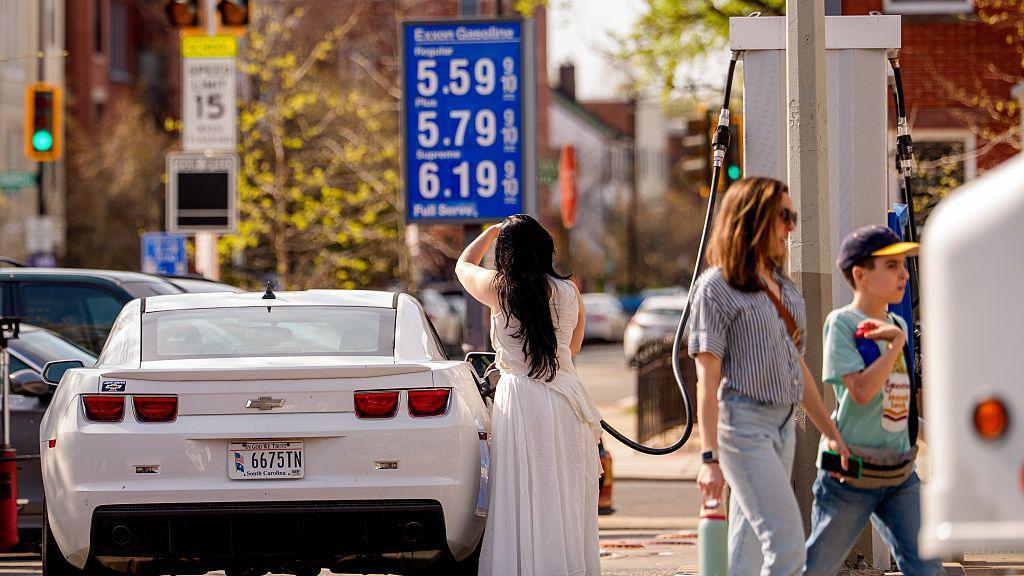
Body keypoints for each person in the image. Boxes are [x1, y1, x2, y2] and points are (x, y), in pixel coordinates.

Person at [688, 177, 851, 576]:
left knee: (748, 551)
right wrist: (709, 459)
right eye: (785, 216)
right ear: (754, 219)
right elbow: (706, 382)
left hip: (783, 425)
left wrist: (830, 431)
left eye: (792, 216)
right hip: (743, 427)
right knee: (787, 544)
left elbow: (797, 366)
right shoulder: (717, 287)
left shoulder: (783, 286)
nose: (792, 226)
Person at [455, 214, 603, 576]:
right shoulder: (570, 292)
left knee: (521, 491)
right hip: (566, 400)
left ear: (508, 252)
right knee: (564, 493)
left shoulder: (499, 289)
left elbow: (463, 266)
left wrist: (491, 232)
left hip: (520, 400)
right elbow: (576, 345)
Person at [804, 225, 943, 575]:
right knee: (817, 567)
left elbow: (899, 403)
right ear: (860, 275)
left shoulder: (896, 322)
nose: (903, 276)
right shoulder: (842, 323)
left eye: (903, 266)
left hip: (900, 474)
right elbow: (862, 392)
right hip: (851, 476)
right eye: (892, 266)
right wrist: (895, 344)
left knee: (927, 569)